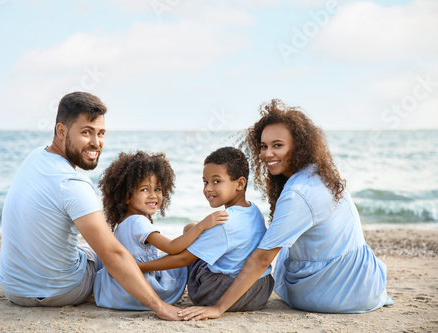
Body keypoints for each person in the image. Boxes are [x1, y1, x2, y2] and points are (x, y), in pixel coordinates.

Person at [178, 99, 394, 320]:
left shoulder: (298, 193)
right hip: (368, 283)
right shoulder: (321, 174)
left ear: (298, 146)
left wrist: (217, 308)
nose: (267, 154)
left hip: (328, 293)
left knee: (234, 247)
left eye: (277, 145)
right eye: (264, 146)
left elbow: (262, 259)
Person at [0, 92, 180, 320]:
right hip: (61, 292)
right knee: (114, 246)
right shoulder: (72, 183)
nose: (96, 143)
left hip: (13, 288)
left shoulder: (35, 157)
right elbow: (112, 254)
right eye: (86, 132)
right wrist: (160, 307)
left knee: (91, 244)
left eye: (101, 133)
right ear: (61, 131)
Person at [138, 147, 274, 312]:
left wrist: (139, 267)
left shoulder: (225, 221)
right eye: (205, 182)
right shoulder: (253, 210)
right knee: (191, 228)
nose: (208, 188)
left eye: (216, 181)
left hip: (221, 292)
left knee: (189, 248)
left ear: (240, 183)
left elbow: (183, 260)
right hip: (260, 290)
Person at [93, 151, 229, 310]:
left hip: (116, 293)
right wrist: (202, 225)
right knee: (187, 254)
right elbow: (172, 246)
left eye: (157, 189)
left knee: (186, 237)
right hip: (141, 290)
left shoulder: (122, 223)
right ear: (127, 196)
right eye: (144, 190)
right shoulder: (138, 221)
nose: (153, 196)